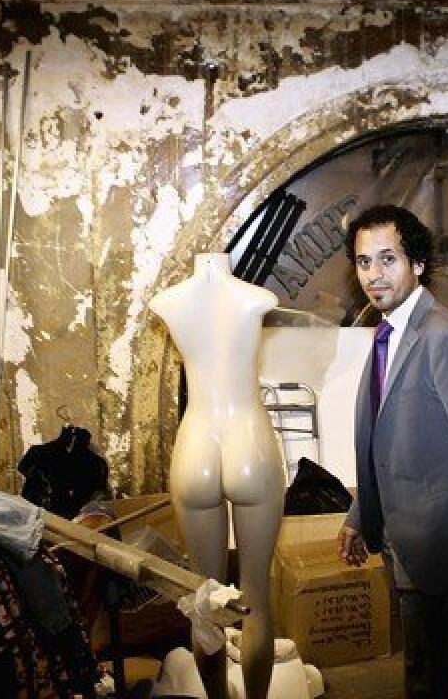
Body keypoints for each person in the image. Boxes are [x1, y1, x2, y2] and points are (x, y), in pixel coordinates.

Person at [337, 205, 448, 699]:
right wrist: (359, 513)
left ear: (417, 263)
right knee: (428, 662)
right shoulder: (386, 332)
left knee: (429, 671)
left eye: (388, 259)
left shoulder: (445, 336)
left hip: (434, 541)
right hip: (397, 532)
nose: (374, 275)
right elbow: (384, 440)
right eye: (364, 262)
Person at [149, 253, 284, 699]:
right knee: (255, 598)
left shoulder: (170, 301)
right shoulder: (256, 297)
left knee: (203, 602)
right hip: (250, 442)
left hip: (197, 445)